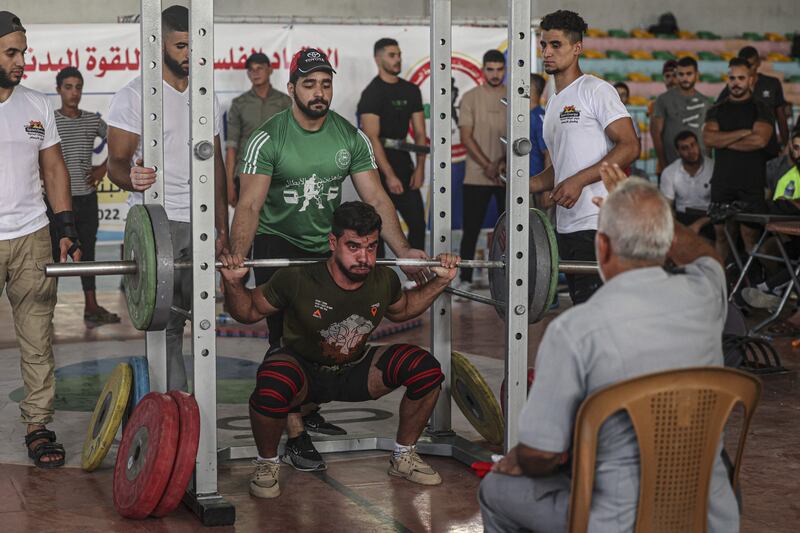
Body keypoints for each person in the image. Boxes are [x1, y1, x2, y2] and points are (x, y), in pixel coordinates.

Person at [479, 163, 740, 533]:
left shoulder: (574, 330)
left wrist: (518, 458)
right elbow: (706, 256)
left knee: (497, 489)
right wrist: (656, 215)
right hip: (708, 515)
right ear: (664, 242)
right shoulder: (706, 294)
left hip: (616, 522)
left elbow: (542, 455)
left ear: (601, 246)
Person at [228, 47, 428, 470]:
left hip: (325, 247)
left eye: (325, 83)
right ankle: (296, 435)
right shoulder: (268, 137)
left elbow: (375, 197)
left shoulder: (349, 136)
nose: (319, 92)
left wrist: (404, 250)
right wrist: (237, 262)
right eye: (309, 84)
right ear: (292, 88)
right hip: (277, 243)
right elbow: (248, 205)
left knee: (327, 333)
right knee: (283, 340)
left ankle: (307, 405)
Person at [220, 202, 458, 498]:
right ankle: (267, 463)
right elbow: (249, 311)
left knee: (426, 369)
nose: (364, 258)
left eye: (371, 247)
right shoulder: (298, 278)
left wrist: (441, 280)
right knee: (273, 383)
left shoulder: (382, 279)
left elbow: (405, 309)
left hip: (354, 370)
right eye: (354, 246)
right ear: (333, 243)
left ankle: (403, 455)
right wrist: (232, 283)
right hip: (303, 372)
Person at [106, 5, 229, 391]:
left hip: (201, 221)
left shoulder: (207, 93)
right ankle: (176, 419)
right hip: (157, 223)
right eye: (181, 46)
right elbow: (116, 164)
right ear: (159, 46)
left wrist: (222, 226)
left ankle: (199, 427)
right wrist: (133, 176)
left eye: (196, 45)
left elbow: (218, 165)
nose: (190, 54)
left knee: (205, 321)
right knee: (168, 327)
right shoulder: (132, 96)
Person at [0, 11, 81, 467]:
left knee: (37, 338)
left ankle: (38, 425)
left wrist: (65, 228)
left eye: (23, 52)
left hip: (33, 235)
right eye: (12, 52)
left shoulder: (36, 104)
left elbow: (53, 168)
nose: (21, 61)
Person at [529, 10, 640, 305]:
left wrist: (577, 182)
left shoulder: (595, 90)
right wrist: (527, 185)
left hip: (599, 221)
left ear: (577, 48)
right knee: (583, 309)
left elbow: (629, 146)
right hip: (567, 226)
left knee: (602, 312)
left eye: (556, 45)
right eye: (543, 45)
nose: (547, 53)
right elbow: (561, 168)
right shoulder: (552, 104)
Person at [46, 67, 119, 327]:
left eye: (78, 87)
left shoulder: (91, 120)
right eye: (68, 87)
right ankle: (46, 311)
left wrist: (103, 168)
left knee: (87, 253)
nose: (73, 92)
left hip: (86, 198)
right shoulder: (49, 120)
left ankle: (91, 306)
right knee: (53, 254)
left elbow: (121, 142)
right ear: (58, 90)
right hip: (55, 201)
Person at [357, 38, 427, 260]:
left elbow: (420, 133)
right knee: (376, 229)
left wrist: (420, 167)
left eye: (399, 54)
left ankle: (416, 277)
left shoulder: (411, 90)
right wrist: (388, 175)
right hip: (377, 167)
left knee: (418, 223)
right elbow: (371, 137)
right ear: (378, 59)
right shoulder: (372, 93)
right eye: (391, 55)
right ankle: (380, 278)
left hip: (405, 164)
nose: (398, 59)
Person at [703, 57, 773, 260]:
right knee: (722, 236)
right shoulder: (717, 109)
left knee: (750, 237)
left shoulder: (762, 108)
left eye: (741, 78)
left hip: (751, 182)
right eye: (732, 78)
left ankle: (761, 287)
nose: (735, 82)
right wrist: (743, 132)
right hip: (722, 182)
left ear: (751, 80)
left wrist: (723, 140)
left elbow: (760, 140)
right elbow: (708, 138)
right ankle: (720, 287)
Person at [455, 49, 508, 292]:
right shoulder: (470, 97)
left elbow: (520, 136)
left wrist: (502, 163)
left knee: (510, 230)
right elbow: (466, 136)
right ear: (483, 70)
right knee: (471, 229)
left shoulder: (515, 97)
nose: (495, 74)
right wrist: (488, 164)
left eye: (499, 69)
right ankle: (465, 279)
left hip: (507, 174)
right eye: (491, 69)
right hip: (477, 174)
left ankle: (509, 277)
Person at [741, 130, 800, 310]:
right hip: (791, 233)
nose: (799, 154)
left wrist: (791, 202)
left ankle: (769, 289)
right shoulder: (789, 175)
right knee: (768, 247)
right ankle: (774, 292)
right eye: (796, 148)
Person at [226, 52, 291, 206]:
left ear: (270, 70)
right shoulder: (239, 104)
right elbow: (231, 147)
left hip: (278, 173)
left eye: (259, 68)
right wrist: (229, 185)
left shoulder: (284, 102)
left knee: (277, 224)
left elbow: (292, 142)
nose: (255, 73)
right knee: (248, 224)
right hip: (246, 173)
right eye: (251, 70)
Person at [717, 46, 789, 152]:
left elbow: (781, 118)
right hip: (742, 150)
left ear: (758, 63)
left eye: (750, 65)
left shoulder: (772, 84)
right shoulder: (731, 88)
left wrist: (786, 145)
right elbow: (717, 116)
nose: (747, 69)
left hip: (768, 149)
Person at [651, 56, 711, 174]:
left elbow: (708, 136)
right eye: (681, 74)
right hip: (672, 167)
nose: (685, 78)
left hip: (701, 169)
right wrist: (664, 165)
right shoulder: (663, 100)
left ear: (697, 75)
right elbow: (655, 134)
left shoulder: (705, 102)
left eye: (689, 74)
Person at [660, 130, 714, 238]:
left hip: (710, 217)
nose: (691, 151)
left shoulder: (713, 168)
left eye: (693, 145)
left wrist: (698, 225)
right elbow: (667, 207)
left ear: (698, 145)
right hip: (682, 217)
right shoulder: (669, 172)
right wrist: (676, 227)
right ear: (678, 152)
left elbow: (720, 206)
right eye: (685, 148)